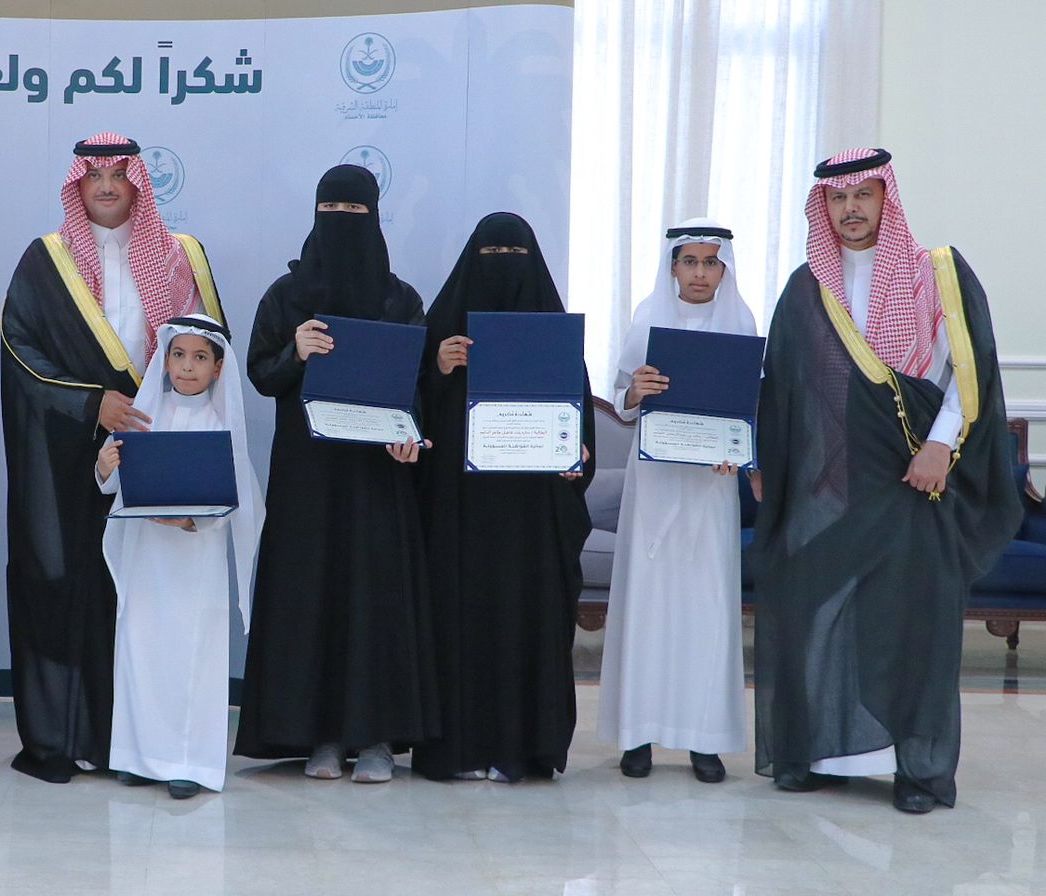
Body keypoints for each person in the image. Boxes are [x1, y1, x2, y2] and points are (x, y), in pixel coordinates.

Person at [752, 148, 1020, 813]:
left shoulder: (938, 273)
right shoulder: (807, 288)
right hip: (835, 487)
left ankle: (916, 769)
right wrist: (769, 463)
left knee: (913, 620)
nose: (850, 209)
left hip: (915, 476)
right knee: (814, 604)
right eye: (838, 198)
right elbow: (784, 391)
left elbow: (967, 373)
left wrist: (938, 447)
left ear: (885, 199)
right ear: (824, 207)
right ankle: (822, 753)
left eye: (862, 196)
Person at [0, 132, 226, 783]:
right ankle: (70, 737)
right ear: (78, 183)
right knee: (71, 584)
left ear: (137, 184)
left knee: (150, 599)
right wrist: (88, 405)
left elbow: (206, 352)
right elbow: (18, 348)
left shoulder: (179, 257)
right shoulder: (47, 260)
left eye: (117, 175)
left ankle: (146, 746)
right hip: (69, 448)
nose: (104, 186)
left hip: (154, 442)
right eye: (93, 175)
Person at [233, 164, 437, 784]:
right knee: (310, 593)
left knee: (374, 597)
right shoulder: (285, 296)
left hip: (377, 478)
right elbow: (260, 374)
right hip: (308, 476)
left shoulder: (400, 300)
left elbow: (416, 384)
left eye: (355, 212)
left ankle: (375, 737)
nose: (343, 223)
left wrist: (410, 435)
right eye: (333, 211)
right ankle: (317, 734)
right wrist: (295, 350)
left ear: (374, 218)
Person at [412, 212, 595, 783]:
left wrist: (577, 456)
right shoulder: (441, 332)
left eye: (513, 257)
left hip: (531, 517)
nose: (502, 270)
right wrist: (438, 367)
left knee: (527, 621)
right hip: (459, 513)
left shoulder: (553, 335)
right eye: (490, 256)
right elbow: (409, 416)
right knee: (457, 621)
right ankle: (457, 750)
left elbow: (579, 427)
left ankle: (523, 749)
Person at [596, 218, 757, 784]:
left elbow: (750, 408)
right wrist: (635, 393)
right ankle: (638, 734)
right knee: (649, 601)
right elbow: (624, 400)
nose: (700, 273)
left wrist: (739, 451)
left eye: (711, 262)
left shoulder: (741, 323)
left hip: (710, 486)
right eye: (690, 261)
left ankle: (703, 739)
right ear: (673, 267)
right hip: (656, 483)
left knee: (706, 605)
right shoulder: (647, 319)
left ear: (724, 269)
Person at [96, 314, 263, 799]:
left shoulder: (221, 423)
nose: (187, 366)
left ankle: (188, 761)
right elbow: (110, 483)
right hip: (146, 554)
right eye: (179, 355)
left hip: (195, 559)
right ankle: (136, 756)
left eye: (200, 357)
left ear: (217, 368)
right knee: (141, 648)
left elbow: (240, 501)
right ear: (165, 361)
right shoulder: (144, 414)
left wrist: (194, 522)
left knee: (190, 654)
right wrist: (104, 465)